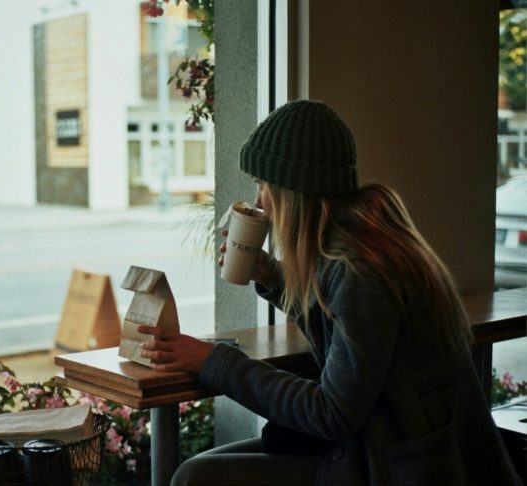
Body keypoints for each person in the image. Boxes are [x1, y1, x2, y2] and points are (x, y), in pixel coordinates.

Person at [137, 100, 522, 485]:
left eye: (262, 185)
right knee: (197, 471)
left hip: (394, 465)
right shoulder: (364, 242)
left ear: (293, 192)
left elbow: (333, 414)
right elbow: (343, 327)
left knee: (196, 477)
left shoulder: (361, 270)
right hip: (383, 443)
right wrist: (274, 277)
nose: (258, 202)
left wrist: (214, 361)